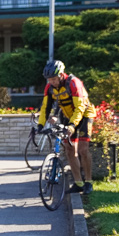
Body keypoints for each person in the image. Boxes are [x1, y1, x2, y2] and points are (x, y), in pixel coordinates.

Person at [37, 60, 96, 195]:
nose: (51, 82)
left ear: (61, 75)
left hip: (84, 114)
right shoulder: (50, 88)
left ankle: (88, 182)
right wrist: (40, 126)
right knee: (69, 149)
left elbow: (80, 107)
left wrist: (72, 125)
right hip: (67, 115)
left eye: (53, 79)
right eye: (49, 79)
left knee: (82, 149)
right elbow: (45, 107)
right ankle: (78, 183)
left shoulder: (73, 83)